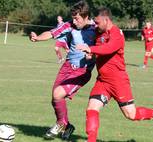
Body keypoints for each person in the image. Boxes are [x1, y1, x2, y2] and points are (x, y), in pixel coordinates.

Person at [76, 7, 153, 142]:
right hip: (103, 81)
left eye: (97, 22)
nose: (95, 25)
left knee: (131, 114)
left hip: (118, 82)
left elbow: (108, 49)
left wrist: (90, 48)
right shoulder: (98, 32)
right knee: (92, 108)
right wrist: (91, 54)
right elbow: (99, 49)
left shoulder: (117, 34)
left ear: (106, 20)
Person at [30, 1, 96, 140]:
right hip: (66, 67)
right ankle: (67, 126)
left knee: (57, 94)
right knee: (55, 99)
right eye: (73, 17)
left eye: (77, 18)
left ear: (86, 17)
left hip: (82, 71)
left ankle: (60, 124)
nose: (74, 21)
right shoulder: (69, 25)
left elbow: (104, 46)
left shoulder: (97, 29)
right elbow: (52, 33)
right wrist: (38, 38)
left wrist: (93, 54)